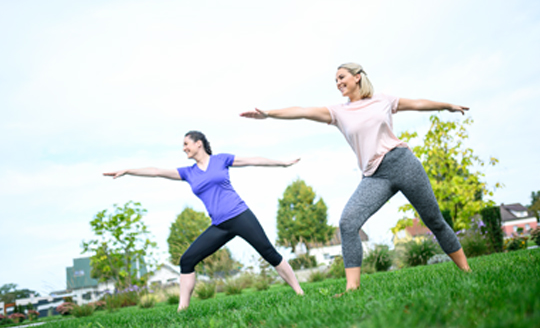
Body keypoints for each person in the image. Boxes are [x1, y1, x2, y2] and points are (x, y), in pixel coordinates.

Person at [240, 62, 472, 294]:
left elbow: (417, 104)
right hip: (375, 175)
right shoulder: (338, 112)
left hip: (402, 163)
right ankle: (352, 288)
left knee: (434, 220)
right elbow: (302, 111)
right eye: (336, 81)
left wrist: (447, 106)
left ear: (357, 77)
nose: (339, 83)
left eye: (342, 77)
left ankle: (466, 272)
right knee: (348, 223)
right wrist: (269, 114)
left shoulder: (382, 100)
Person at [103, 130, 304, 310]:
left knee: (269, 253)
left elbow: (253, 160)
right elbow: (156, 172)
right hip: (219, 225)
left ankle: (299, 292)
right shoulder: (188, 172)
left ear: (198, 143)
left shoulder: (221, 160)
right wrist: (128, 170)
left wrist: (282, 163)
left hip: (240, 215)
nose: (184, 149)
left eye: (186, 144)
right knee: (187, 260)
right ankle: (183, 309)